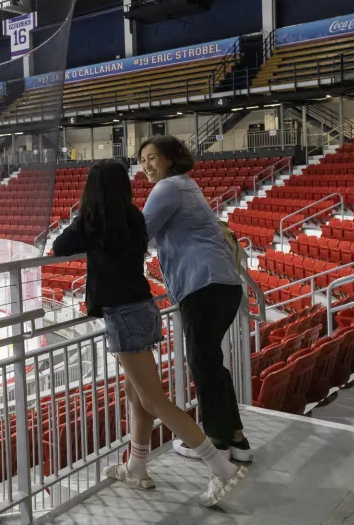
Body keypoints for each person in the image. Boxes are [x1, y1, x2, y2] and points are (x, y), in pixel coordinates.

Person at [52, 159, 247, 507]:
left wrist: (78, 215)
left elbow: (60, 246)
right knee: (137, 394)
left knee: (154, 400)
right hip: (144, 308)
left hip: (122, 314)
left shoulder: (94, 220)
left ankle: (222, 468)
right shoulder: (133, 217)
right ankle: (137, 466)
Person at [138, 135, 253, 463]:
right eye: (142, 159)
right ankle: (237, 439)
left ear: (171, 159)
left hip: (203, 283)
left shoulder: (168, 188)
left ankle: (216, 440)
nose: (145, 164)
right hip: (222, 283)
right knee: (211, 363)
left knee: (203, 364)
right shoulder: (186, 185)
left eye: (152, 157)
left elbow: (141, 231)